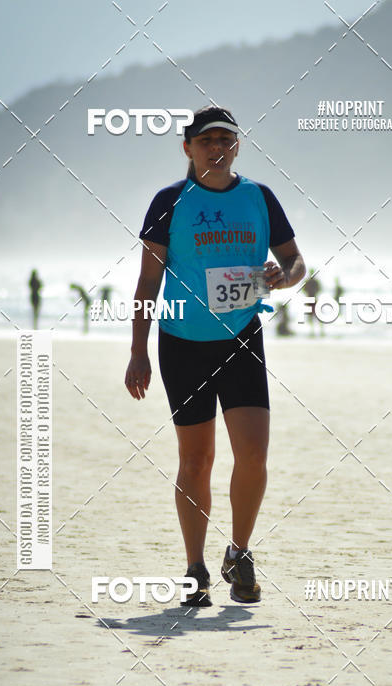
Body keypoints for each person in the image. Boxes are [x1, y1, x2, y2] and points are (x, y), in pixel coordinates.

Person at [125, 106, 305, 606]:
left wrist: (283, 276)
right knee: (197, 460)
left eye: (226, 138)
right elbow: (147, 282)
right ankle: (195, 567)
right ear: (188, 148)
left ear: (237, 146)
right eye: (206, 140)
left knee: (253, 456)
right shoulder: (169, 201)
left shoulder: (259, 197)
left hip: (243, 339)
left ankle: (240, 553)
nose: (216, 147)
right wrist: (137, 351)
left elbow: (295, 261)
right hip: (181, 344)